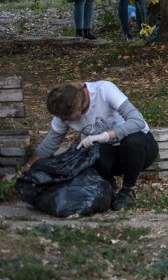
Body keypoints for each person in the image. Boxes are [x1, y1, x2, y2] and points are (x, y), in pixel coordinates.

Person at [23, 81, 158, 211]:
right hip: (110, 155)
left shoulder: (103, 90)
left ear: (77, 106)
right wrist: (26, 168)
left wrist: (106, 135)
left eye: (67, 117)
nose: (64, 120)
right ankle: (108, 185)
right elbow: (50, 144)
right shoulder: (63, 112)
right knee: (85, 151)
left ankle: (128, 190)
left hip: (140, 150)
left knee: (133, 141)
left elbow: (137, 121)